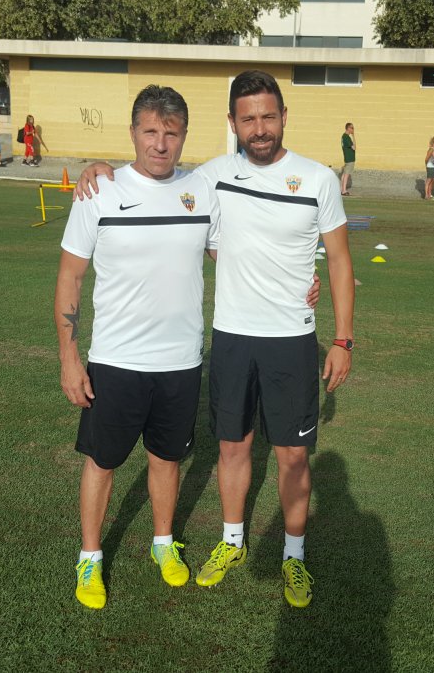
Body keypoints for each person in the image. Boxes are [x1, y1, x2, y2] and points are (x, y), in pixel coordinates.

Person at [75, 70, 356, 609]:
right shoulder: (212, 177)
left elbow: (339, 261)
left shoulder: (317, 179)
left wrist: (342, 339)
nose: (259, 128)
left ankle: (294, 559)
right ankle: (232, 543)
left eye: (268, 116)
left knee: (294, 456)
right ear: (232, 124)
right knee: (232, 447)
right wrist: (101, 169)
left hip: (292, 340)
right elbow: (155, 176)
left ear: (283, 118)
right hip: (230, 335)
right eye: (248, 118)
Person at [56, 86, 221, 611]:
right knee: (102, 463)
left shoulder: (202, 191)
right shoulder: (98, 191)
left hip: (180, 362)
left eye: (171, 133)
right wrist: (69, 357)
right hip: (116, 361)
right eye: (150, 131)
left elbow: (236, 256)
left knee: (166, 458)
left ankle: (162, 544)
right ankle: (89, 557)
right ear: (133, 133)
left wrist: (299, 285)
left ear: (184, 136)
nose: (160, 144)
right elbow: (69, 277)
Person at [339, 122, 355, 195]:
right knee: (346, 175)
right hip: (349, 159)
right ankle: (344, 190)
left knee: (344, 174)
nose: (353, 129)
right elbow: (354, 147)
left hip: (346, 158)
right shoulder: (346, 137)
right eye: (352, 128)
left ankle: (341, 189)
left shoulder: (343, 136)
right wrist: (353, 136)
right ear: (348, 128)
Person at [424, 135, 434, 200]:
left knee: (432, 181)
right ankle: (426, 195)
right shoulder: (431, 149)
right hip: (430, 166)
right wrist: (427, 166)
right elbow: (426, 159)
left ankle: (430, 194)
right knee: (428, 181)